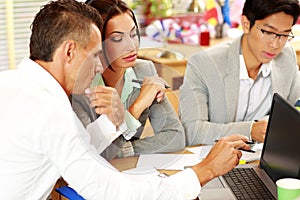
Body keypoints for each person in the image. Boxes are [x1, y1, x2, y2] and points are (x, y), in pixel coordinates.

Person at [0, 0, 252, 199]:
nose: (100, 66)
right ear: (69, 51)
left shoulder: (13, 84)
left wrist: (113, 123)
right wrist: (204, 171)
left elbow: (81, 147)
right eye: (96, 55)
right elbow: (113, 193)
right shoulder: (50, 111)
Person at [72, 0, 185, 160]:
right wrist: (137, 107)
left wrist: (125, 150)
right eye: (118, 39)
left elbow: (175, 136)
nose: (132, 46)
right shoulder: (80, 87)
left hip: (129, 173)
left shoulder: (144, 70)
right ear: (97, 42)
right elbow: (90, 154)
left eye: (133, 34)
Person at [180, 0, 300, 146]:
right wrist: (250, 131)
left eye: (284, 35)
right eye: (268, 32)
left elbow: (294, 108)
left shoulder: (286, 56)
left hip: (264, 160)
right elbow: (192, 132)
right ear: (246, 24)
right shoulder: (204, 64)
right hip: (215, 160)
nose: (275, 45)